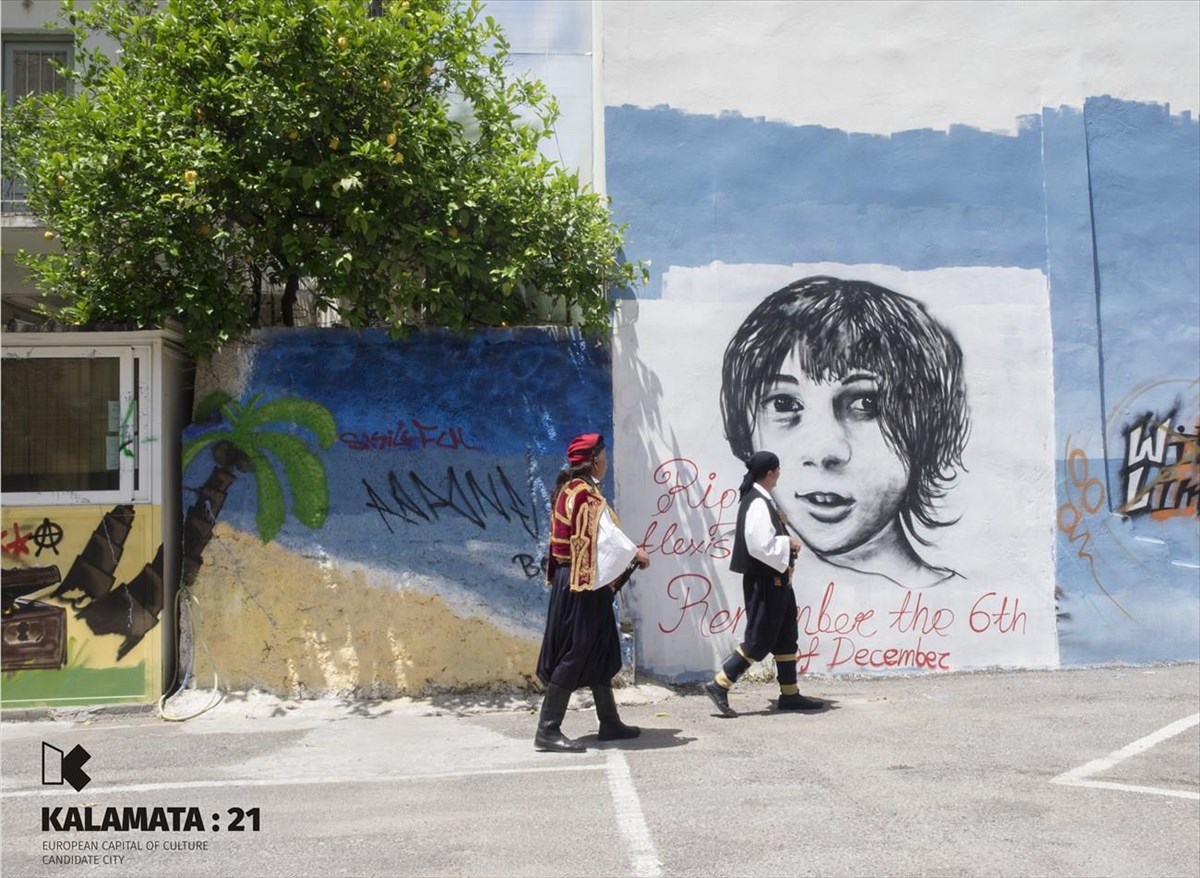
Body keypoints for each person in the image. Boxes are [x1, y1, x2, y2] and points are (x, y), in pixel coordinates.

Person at [720, 275, 971, 590]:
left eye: (867, 403)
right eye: (784, 403)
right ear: (745, 425)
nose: (824, 451)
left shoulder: (954, 595)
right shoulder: (722, 564)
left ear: (926, 423)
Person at [534, 433, 651, 752]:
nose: (606, 462)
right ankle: (547, 730)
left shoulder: (570, 489)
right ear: (594, 460)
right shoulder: (585, 495)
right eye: (604, 456)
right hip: (580, 582)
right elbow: (605, 538)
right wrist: (635, 553)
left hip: (580, 579)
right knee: (577, 649)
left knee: (599, 646)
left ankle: (609, 721)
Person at [704, 450, 820, 716]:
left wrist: (781, 527)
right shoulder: (757, 502)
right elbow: (758, 545)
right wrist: (787, 542)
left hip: (777, 581)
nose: (779, 475)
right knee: (759, 639)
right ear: (769, 473)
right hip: (766, 582)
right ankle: (720, 683)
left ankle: (790, 694)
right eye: (777, 471)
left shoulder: (762, 500)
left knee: (786, 635)